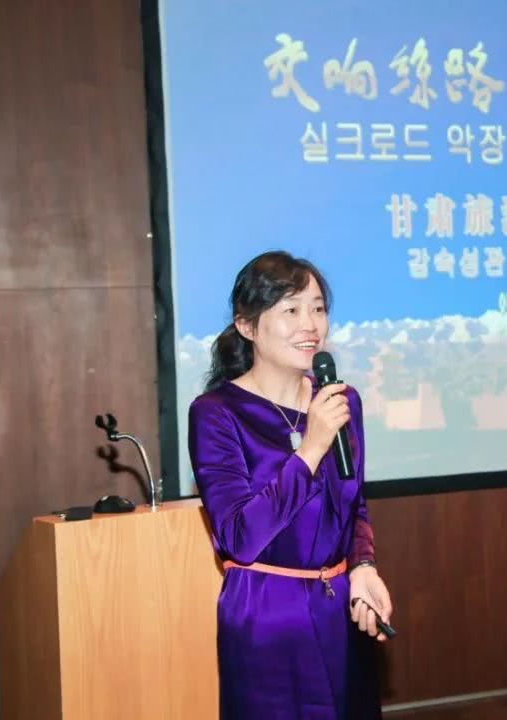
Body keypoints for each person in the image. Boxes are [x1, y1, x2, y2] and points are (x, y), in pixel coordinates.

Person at [188, 251, 392, 719]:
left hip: (339, 609)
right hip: (267, 615)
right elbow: (239, 537)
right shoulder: (216, 414)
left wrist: (363, 567)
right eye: (291, 310)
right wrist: (311, 448)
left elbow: (354, 505)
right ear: (247, 326)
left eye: (318, 308)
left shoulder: (340, 399)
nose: (310, 325)